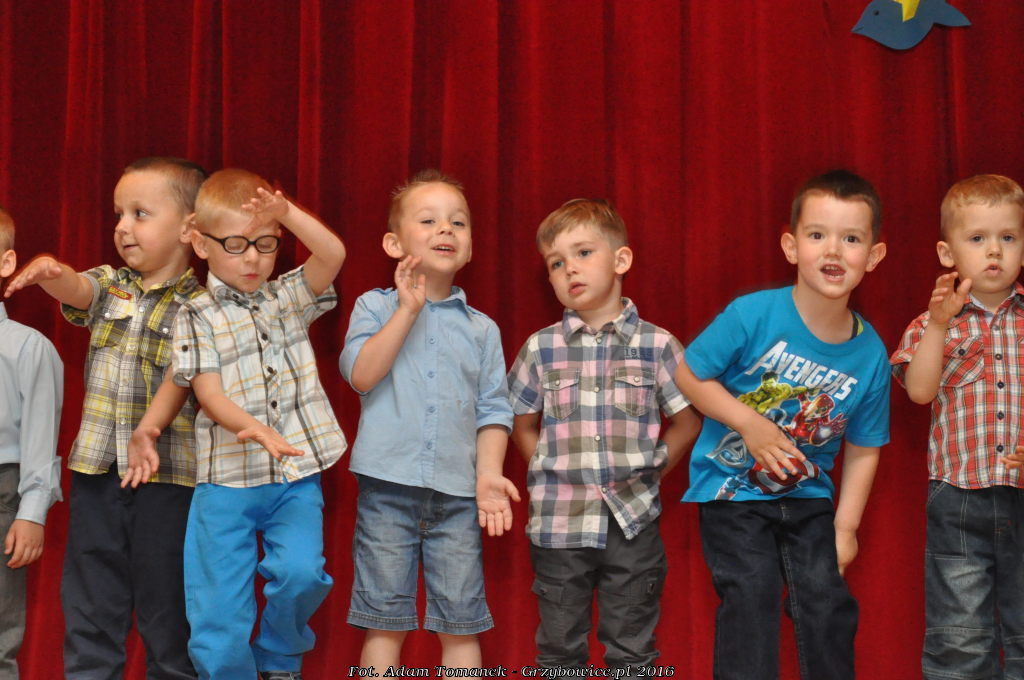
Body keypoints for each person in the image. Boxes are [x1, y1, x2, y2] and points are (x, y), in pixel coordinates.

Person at [130, 168, 347, 680]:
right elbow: (207, 393)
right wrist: (253, 426)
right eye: (235, 244)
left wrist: (287, 213)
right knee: (219, 609)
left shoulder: (287, 297)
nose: (252, 258)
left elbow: (333, 254)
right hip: (225, 480)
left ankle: (279, 659)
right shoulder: (196, 313)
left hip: (294, 475)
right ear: (201, 244)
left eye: (265, 243)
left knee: (301, 574)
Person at [675, 170, 890, 680]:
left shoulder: (871, 355)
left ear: (873, 256)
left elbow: (865, 446)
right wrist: (749, 424)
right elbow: (688, 374)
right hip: (732, 489)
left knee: (826, 601)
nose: (833, 250)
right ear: (791, 246)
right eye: (817, 235)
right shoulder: (752, 314)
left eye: (851, 238)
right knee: (752, 592)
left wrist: (846, 529)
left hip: (809, 497)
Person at [4, 157, 207, 679]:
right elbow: (81, 290)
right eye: (119, 214)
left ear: (189, 227)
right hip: (97, 473)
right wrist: (54, 273)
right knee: (91, 604)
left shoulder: (203, 305)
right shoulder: (112, 284)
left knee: (168, 611)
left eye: (141, 213)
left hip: (169, 481)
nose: (123, 226)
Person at [507, 198, 700, 669]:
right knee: (559, 651)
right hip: (558, 524)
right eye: (556, 263)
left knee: (632, 651)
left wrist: (653, 469)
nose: (569, 269)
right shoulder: (540, 348)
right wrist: (548, 468)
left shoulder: (657, 344)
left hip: (633, 522)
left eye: (583, 253)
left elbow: (688, 420)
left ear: (621, 260)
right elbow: (521, 423)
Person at [339, 169, 516, 667]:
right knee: (383, 621)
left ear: (470, 248)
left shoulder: (482, 330)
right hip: (387, 488)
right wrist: (407, 311)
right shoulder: (374, 307)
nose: (445, 230)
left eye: (458, 222)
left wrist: (488, 476)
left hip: (458, 497)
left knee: (461, 623)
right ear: (394, 244)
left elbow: (494, 409)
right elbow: (361, 375)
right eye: (429, 220)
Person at [891, 174, 1024, 680]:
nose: (994, 251)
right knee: (960, 634)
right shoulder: (933, 323)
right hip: (959, 495)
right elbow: (919, 391)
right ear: (948, 253)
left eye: (1008, 237)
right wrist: (940, 324)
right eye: (978, 238)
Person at [0, 207, 63, 680]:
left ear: (6, 263)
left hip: (4, 491)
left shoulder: (28, 347)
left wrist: (32, 510)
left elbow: (40, 435)